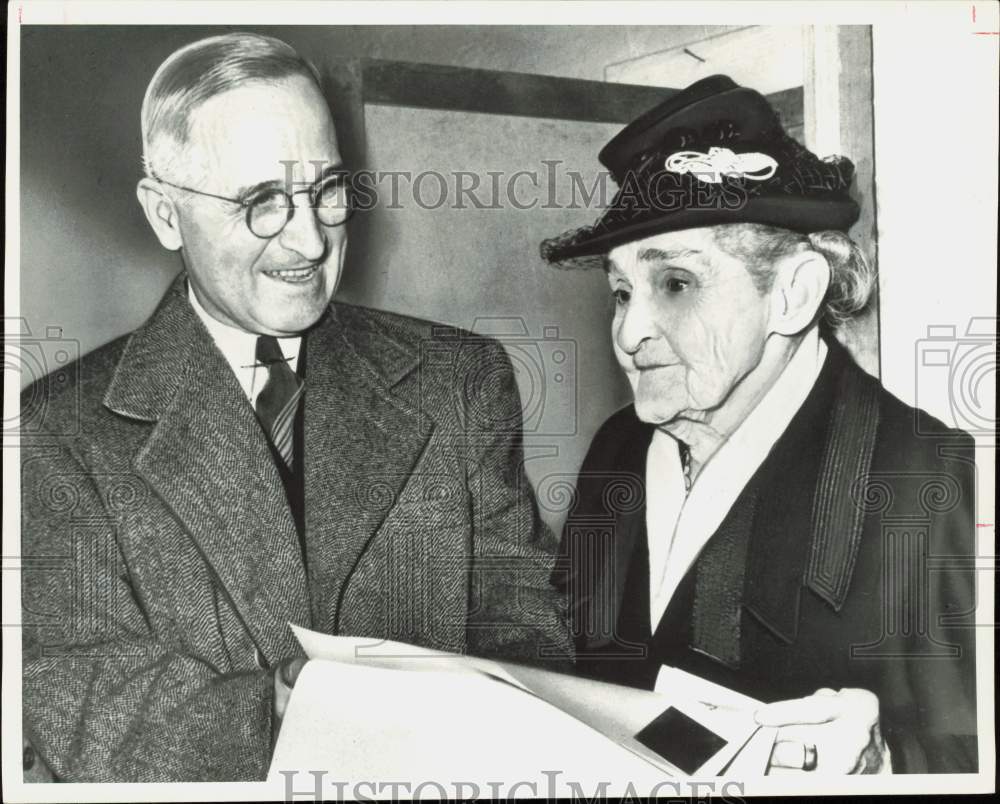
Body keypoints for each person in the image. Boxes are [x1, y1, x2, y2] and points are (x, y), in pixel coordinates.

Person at [21, 33, 569, 782]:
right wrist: (291, 709)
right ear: (164, 214)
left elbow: (528, 638)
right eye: (263, 202)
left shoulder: (460, 382)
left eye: (328, 190)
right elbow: (74, 697)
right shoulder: (58, 431)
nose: (311, 239)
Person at [544, 75, 977, 774]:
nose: (629, 330)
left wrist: (883, 763)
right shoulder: (619, 449)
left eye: (675, 284)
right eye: (620, 291)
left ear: (794, 293)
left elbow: (974, 752)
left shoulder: (930, 478)